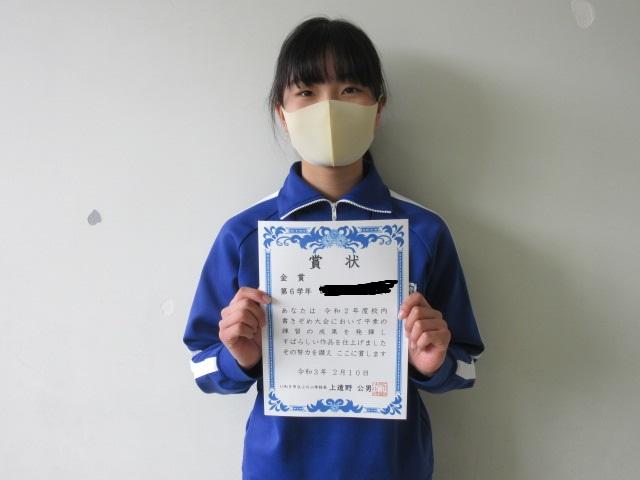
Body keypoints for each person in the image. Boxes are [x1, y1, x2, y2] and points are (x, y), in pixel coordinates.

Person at [183, 16, 485, 480]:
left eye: (350, 89)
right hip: (279, 469)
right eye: (306, 91)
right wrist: (239, 356)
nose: (328, 108)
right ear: (282, 113)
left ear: (378, 109)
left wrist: (432, 363)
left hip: (392, 468)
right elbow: (202, 367)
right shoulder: (245, 234)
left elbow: (465, 367)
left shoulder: (422, 232)